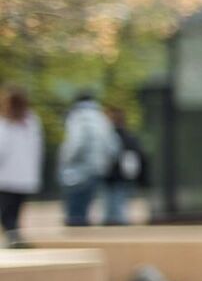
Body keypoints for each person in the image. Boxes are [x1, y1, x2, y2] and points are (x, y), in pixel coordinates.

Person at [57, 92, 120, 227]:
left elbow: (76, 143)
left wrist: (66, 160)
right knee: (85, 209)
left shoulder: (77, 116)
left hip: (77, 171)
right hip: (97, 170)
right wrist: (104, 163)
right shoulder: (101, 117)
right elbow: (113, 147)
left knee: (74, 211)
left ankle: (75, 237)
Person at [0, 88, 42, 248]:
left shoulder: (5, 123)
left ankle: (13, 237)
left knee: (6, 210)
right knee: (14, 210)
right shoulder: (31, 121)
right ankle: (14, 236)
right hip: (24, 175)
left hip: (6, 176)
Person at [102, 106, 147, 226]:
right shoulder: (129, 136)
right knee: (119, 205)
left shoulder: (110, 137)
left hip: (113, 175)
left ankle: (115, 224)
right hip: (125, 175)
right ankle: (118, 224)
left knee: (113, 206)